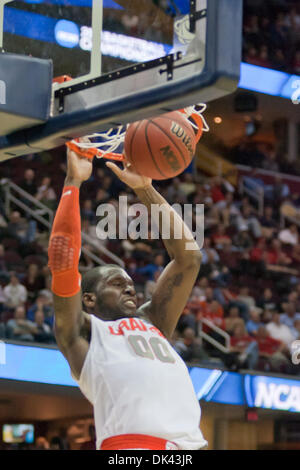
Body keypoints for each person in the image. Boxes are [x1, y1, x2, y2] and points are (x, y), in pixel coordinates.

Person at [48, 144, 207, 451]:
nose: (129, 288)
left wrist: (144, 188)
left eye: (130, 283)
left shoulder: (153, 322)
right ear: (89, 299)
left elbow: (189, 258)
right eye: (116, 283)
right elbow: (63, 261)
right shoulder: (83, 334)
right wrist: (73, 183)